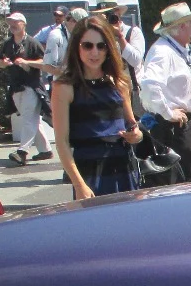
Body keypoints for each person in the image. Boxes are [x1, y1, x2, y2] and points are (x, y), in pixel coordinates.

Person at [50, 15, 143, 199]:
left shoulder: (119, 83)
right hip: (90, 173)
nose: (95, 52)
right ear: (77, 47)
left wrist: (135, 135)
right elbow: (62, 142)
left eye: (101, 46)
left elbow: (134, 127)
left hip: (124, 168)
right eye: (88, 45)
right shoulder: (65, 87)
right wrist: (79, 185)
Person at [139, 2, 191, 184]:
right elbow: (149, 84)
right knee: (176, 182)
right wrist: (168, 113)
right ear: (182, 26)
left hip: (183, 125)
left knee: (188, 179)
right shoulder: (163, 51)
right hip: (174, 128)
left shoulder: (174, 49)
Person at [0, 13, 52, 165]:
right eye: (10, 23)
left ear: (24, 24)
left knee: (29, 118)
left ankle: (22, 151)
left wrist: (27, 62)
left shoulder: (32, 42)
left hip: (31, 86)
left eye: (16, 22)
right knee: (32, 119)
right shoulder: (8, 44)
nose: (12, 25)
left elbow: (44, 61)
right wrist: (4, 62)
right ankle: (45, 150)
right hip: (15, 87)